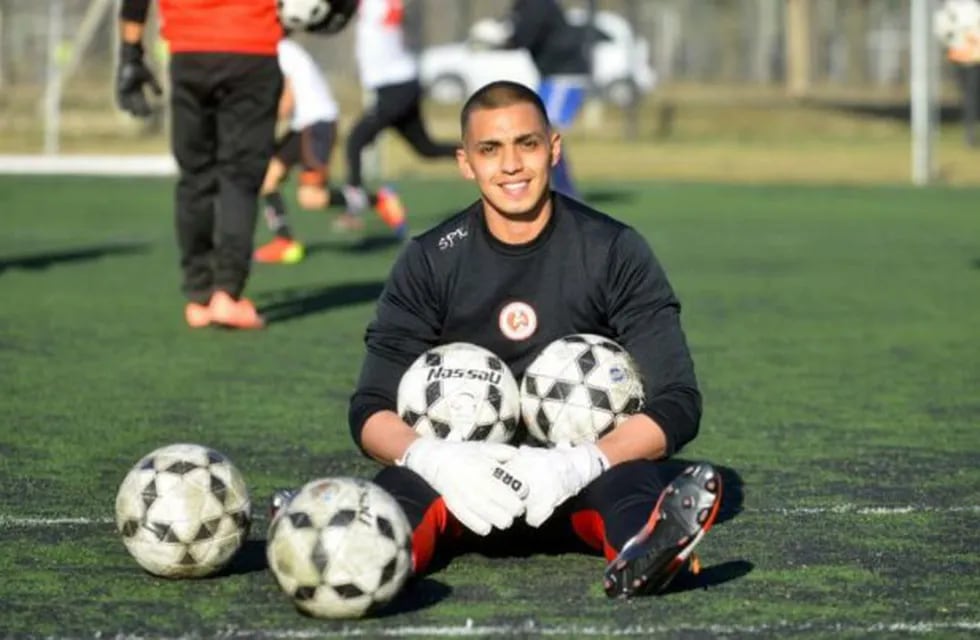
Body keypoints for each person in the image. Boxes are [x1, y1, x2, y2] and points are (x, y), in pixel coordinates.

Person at [337, 80, 723, 600]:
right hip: (461, 483)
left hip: (580, 478)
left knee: (630, 486)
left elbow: (678, 401)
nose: (512, 165)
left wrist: (581, 462)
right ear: (465, 162)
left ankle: (651, 552)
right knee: (399, 493)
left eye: (528, 144)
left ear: (554, 149)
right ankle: (350, 554)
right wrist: (434, 458)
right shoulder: (430, 260)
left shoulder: (613, 249)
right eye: (490, 149)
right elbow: (371, 407)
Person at [115, 0, 356, 329]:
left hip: (190, 51)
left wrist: (130, 54)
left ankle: (199, 296)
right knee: (240, 179)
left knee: (195, 176)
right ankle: (227, 294)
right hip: (252, 50)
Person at [252, 35, 409, 265]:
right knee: (268, 177)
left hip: (317, 125)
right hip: (303, 125)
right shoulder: (274, 50)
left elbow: (286, 103)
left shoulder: (281, 50)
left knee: (311, 198)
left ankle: (379, 200)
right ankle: (285, 243)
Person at [340, 0, 456, 228]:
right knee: (426, 149)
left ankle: (354, 210)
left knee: (356, 139)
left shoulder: (377, 5)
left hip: (397, 88)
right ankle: (474, 152)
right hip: (400, 84)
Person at [469, 0, 591, 198]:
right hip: (551, 76)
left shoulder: (537, 5)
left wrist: (493, 42)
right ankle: (555, 188)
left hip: (565, 75)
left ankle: (566, 192)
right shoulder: (524, 6)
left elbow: (522, 38)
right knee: (540, 130)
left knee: (545, 131)